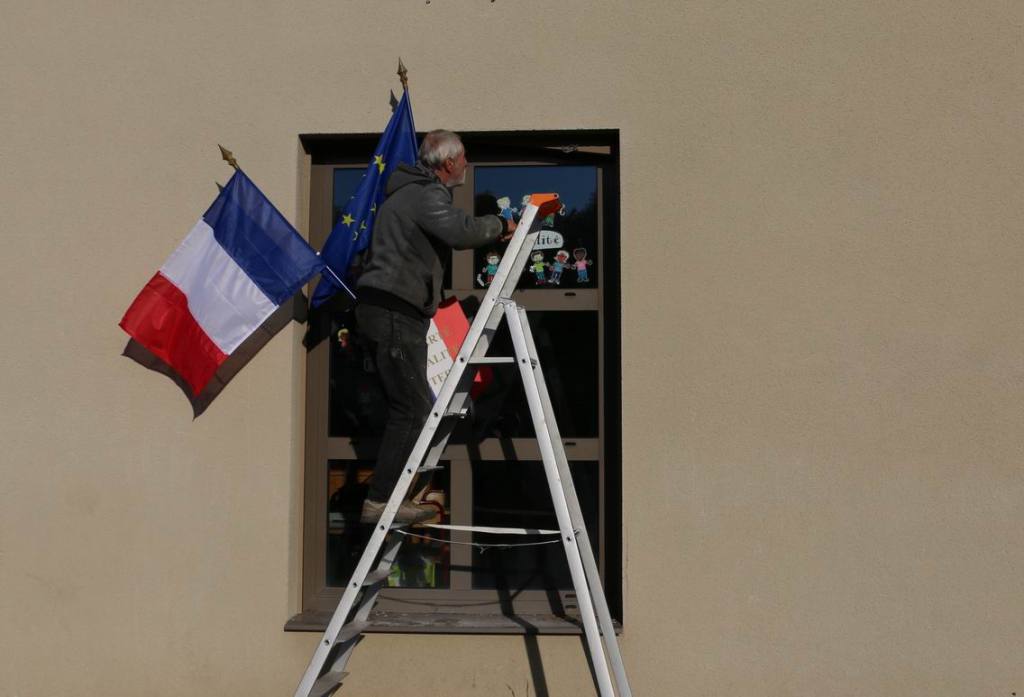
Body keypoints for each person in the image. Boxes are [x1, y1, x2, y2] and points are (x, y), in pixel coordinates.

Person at [355, 130, 515, 524]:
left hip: (396, 309)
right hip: (395, 310)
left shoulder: (408, 194)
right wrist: (501, 224)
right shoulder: (427, 195)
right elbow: (460, 232)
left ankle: (391, 497)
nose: (466, 165)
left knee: (412, 405)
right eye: (463, 159)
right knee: (413, 407)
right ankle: (380, 503)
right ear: (448, 163)